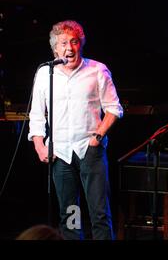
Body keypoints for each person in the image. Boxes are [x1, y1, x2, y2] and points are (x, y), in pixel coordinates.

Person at [28, 20, 123, 239]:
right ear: (55, 49)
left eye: (74, 42)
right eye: (63, 43)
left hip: (90, 149)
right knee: (70, 214)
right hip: (60, 153)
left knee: (99, 213)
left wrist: (98, 136)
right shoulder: (45, 74)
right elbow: (36, 114)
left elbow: (114, 108)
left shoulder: (97, 70)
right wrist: (40, 146)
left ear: (80, 44)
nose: (69, 48)